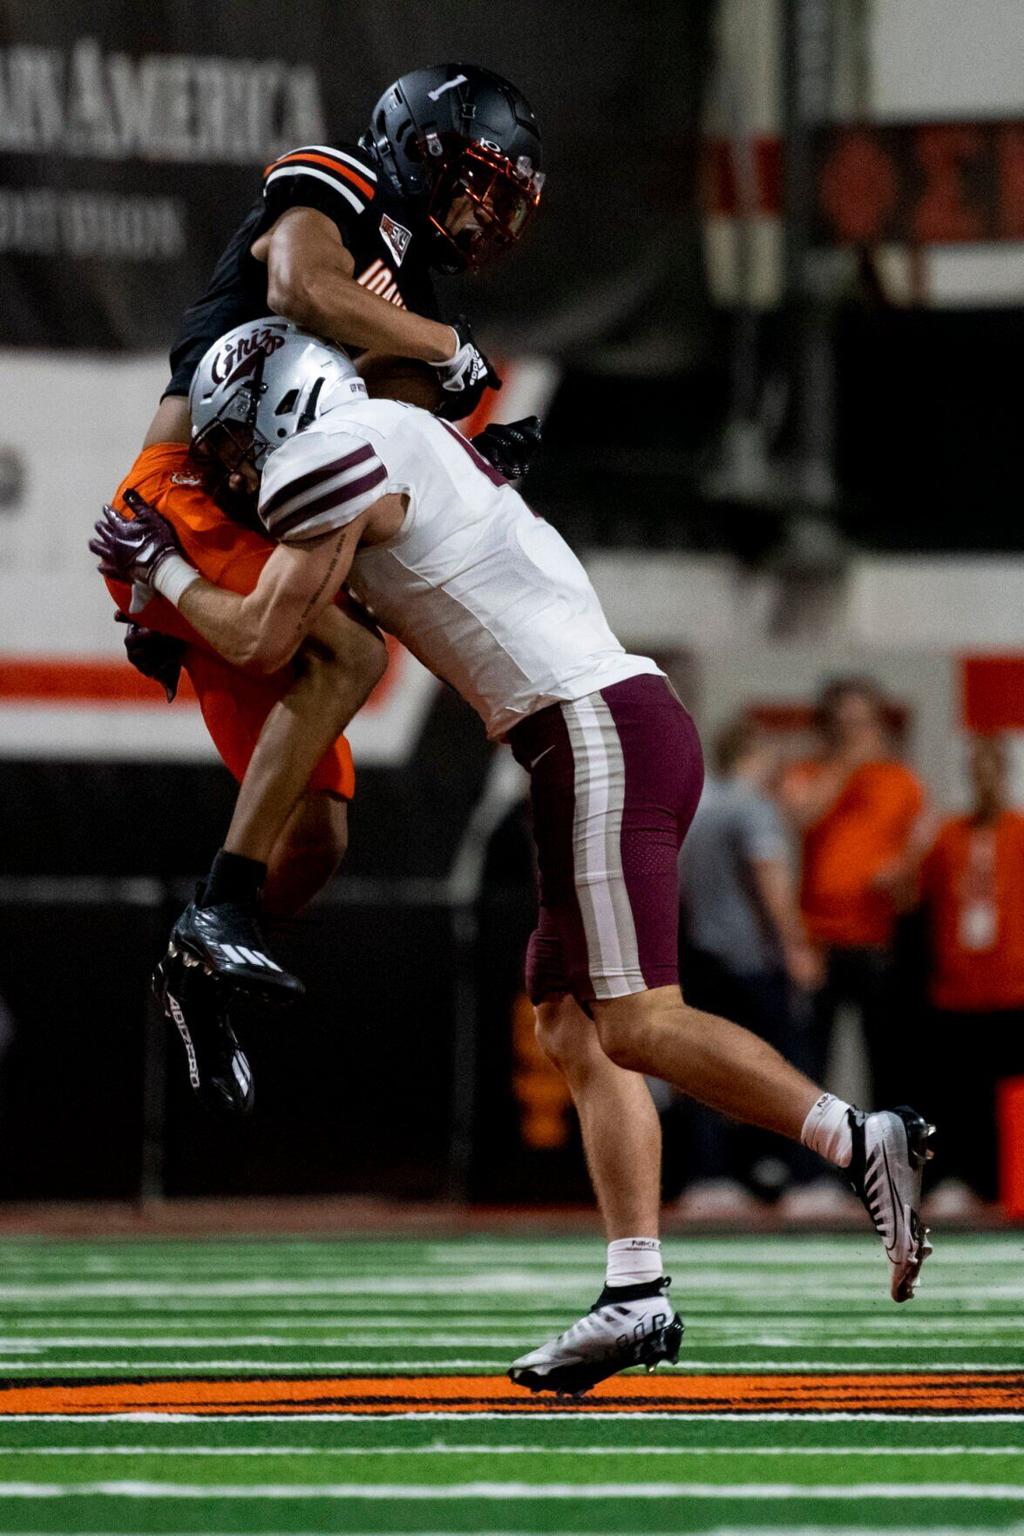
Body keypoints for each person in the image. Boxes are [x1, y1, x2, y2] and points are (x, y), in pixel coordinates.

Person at [91, 320, 935, 1397]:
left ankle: (861, 1140)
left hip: (587, 726)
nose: (238, 474)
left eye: (233, 449)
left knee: (635, 1019)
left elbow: (262, 638)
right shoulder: (402, 433)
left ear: (273, 417)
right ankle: (636, 1292)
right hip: (594, 727)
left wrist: (160, 568)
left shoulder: (323, 453)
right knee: (570, 1024)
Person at [100, 64, 546, 1111]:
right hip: (187, 487)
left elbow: (378, 440)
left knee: (321, 837)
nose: (488, 211)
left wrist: (474, 450)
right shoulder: (335, 177)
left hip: (267, 518)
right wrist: (444, 349)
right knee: (345, 654)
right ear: (423, 148)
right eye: (478, 179)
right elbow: (302, 288)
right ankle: (216, 909)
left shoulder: (416, 288)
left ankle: (201, 965)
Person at [674, 714, 823, 1216]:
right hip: (751, 958)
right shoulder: (752, 807)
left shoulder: (699, 809)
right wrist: (797, 947)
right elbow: (771, 885)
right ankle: (803, 1175)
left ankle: (710, 1174)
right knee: (786, 1066)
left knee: (707, 1067)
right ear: (755, 753)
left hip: (701, 953)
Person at [781, 678, 930, 1110]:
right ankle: (808, 1165)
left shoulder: (901, 781)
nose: (853, 733)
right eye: (843, 724)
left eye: (862, 724)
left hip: (877, 939)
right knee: (809, 1062)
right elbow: (801, 816)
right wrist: (845, 765)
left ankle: (885, 1155)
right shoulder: (810, 773)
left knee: (887, 1060)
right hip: (819, 939)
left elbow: (921, 848)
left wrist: (901, 871)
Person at [919, 735, 1024, 1213]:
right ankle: (956, 1177)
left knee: (1008, 1093)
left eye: (991, 771)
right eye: (976, 770)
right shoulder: (948, 835)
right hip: (957, 987)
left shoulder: (1018, 832)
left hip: (1011, 986)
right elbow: (920, 897)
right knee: (957, 1094)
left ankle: (1006, 1181)